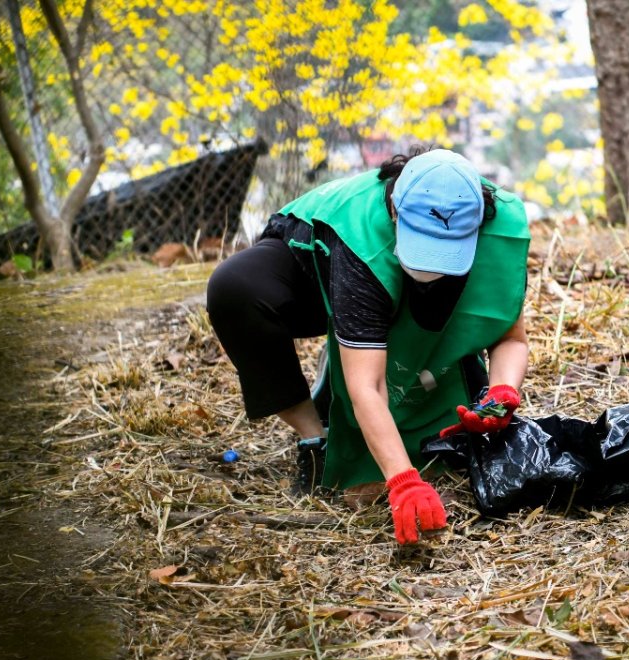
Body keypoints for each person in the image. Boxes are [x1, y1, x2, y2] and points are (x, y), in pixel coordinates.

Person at [206, 148, 530, 544]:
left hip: (405, 289)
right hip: (315, 277)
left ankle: (445, 366)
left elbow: (510, 337)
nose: (432, 265)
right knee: (235, 289)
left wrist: (502, 391)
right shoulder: (362, 246)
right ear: (394, 211)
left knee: (437, 330)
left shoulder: (495, 226)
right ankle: (317, 437)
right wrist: (404, 481)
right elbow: (368, 388)